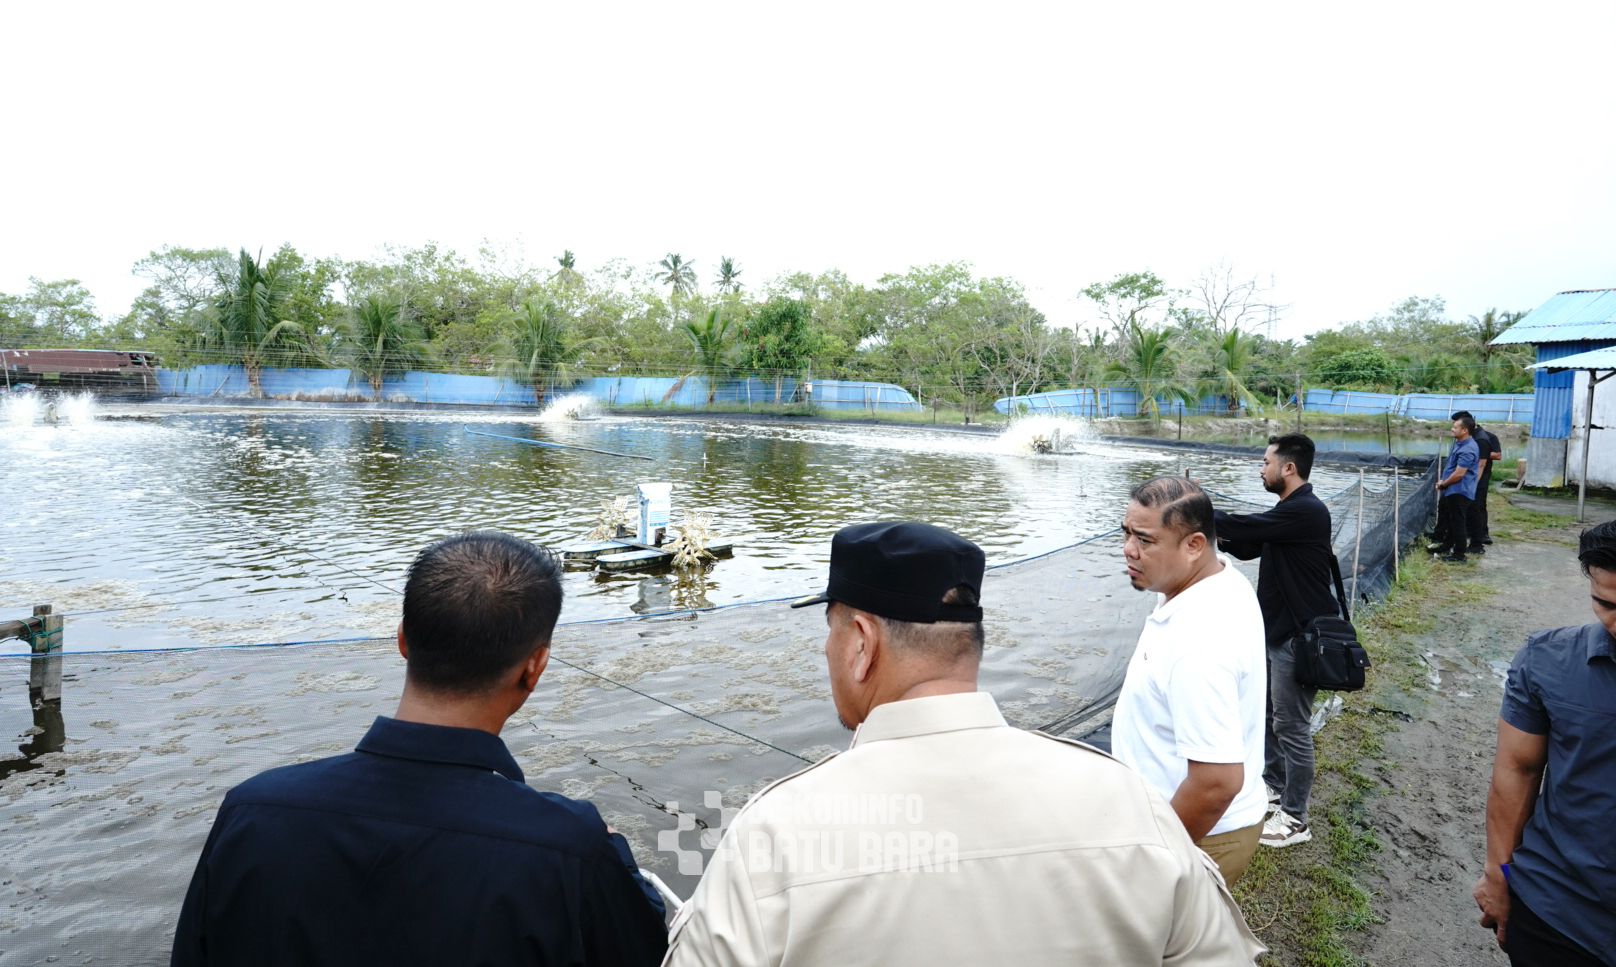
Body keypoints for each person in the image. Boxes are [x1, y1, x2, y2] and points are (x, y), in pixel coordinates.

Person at [663, 520, 1263, 966]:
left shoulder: (774, 836)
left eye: (831, 631)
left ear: (862, 643)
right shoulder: (1134, 803)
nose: (826, 651)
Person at [172, 531, 669, 967]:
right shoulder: (569, 849)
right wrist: (615, 861)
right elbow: (643, 951)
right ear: (534, 667)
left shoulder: (250, 811)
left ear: (403, 640)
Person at [1473, 521, 1616, 967]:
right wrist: (1498, 875)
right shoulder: (1547, 661)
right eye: (1606, 604)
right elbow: (1518, 769)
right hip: (1558, 913)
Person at [1113, 477, 1269, 885]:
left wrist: (1157, 850)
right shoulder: (1216, 579)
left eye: (1144, 540)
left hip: (1197, 831)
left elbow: (1217, 782)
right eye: (1126, 533)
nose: (1128, 549)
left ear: (1194, 545)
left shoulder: (1198, 643)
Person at [1212, 433, 1341, 850]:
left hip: (1298, 639)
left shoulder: (1307, 510)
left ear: (1289, 467)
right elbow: (1249, 544)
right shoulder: (1288, 512)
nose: (1261, 469)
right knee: (1269, 716)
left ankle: (1296, 818)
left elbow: (1249, 527)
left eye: (1266, 462)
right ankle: (1273, 785)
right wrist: (1215, 535)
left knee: (1292, 727)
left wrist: (1193, 512)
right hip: (1277, 634)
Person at [1429, 414, 1480, 562]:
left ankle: (1459, 555)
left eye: (1455, 427)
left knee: (1458, 523)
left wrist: (1444, 484)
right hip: (1453, 489)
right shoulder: (1461, 444)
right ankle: (1446, 546)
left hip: (1460, 491)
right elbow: (1453, 468)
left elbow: (1459, 474)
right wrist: (1443, 480)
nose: (1452, 429)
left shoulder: (1468, 449)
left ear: (1465, 430)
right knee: (1452, 520)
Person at [1453, 410, 1503, 554]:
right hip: (1472, 478)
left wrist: (1476, 453)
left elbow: (1491, 458)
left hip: (1479, 478)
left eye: (1455, 425)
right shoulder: (1469, 438)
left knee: (1477, 507)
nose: (1453, 428)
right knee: (1472, 508)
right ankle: (1473, 535)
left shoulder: (1483, 439)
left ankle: (1480, 537)